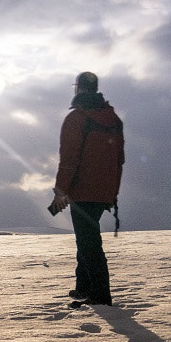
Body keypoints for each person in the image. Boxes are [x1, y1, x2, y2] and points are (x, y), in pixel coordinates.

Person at [50, 71, 124, 306]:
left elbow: (69, 159)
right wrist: (113, 193)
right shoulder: (114, 120)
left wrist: (61, 190)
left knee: (89, 243)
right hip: (104, 192)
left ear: (79, 89)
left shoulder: (76, 119)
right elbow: (118, 160)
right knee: (87, 238)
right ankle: (83, 288)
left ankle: (101, 296)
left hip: (82, 191)